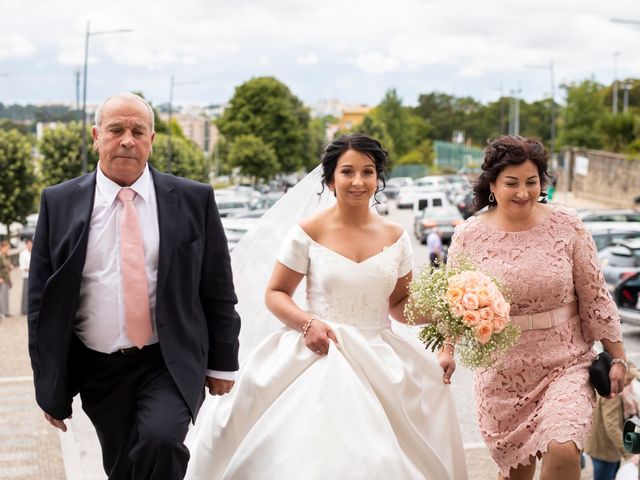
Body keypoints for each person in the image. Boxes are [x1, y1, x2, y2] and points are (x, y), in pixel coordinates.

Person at [186, 134, 468, 479]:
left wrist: (451, 309)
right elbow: (275, 293)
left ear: (378, 178)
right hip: (320, 349)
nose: (358, 181)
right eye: (347, 172)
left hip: (379, 355)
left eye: (368, 172)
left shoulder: (395, 236)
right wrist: (307, 324)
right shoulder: (307, 231)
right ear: (331, 178)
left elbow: (399, 305)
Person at [27, 92, 241, 479]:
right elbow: (42, 303)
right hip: (98, 367)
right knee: (125, 466)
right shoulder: (58, 203)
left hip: (169, 359)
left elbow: (217, 287)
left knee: (160, 441)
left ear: (151, 140)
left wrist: (223, 362)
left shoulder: (194, 199)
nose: (127, 139)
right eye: (116, 129)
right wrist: (49, 387)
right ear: (96, 136)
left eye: (138, 130)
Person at [447, 135, 625, 480]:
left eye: (532, 182)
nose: (524, 192)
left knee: (563, 447)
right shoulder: (468, 235)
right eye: (512, 183)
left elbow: (595, 295)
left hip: (566, 362)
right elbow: (454, 300)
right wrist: (448, 349)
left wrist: (617, 356)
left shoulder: (567, 224)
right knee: (516, 473)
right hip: (502, 372)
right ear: (493, 185)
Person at [585, 365, 640, 480]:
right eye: (628, 379)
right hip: (604, 449)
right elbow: (612, 425)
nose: (629, 383)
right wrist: (629, 452)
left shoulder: (616, 389)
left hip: (608, 447)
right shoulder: (614, 394)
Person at [19, 238, 31, 315]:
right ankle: (24, 309)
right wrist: (28, 268)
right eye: (29, 244)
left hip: (32, 275)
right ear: (26, 244)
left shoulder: (32, 253)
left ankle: (29, 308)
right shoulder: (23, 254)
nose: (31, 245)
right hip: (26, 275)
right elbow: (22, 266)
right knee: (25, 293)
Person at [0, 240, 12, 319]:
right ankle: (1, 313)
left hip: (7, 277)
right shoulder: (0, 256)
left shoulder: (6, 255)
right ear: (3, 247)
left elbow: (7, 265)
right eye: (7, 247)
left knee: (6, 296)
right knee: (1, 296)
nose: (8, 249)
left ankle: (6, 311)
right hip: (2, 278)